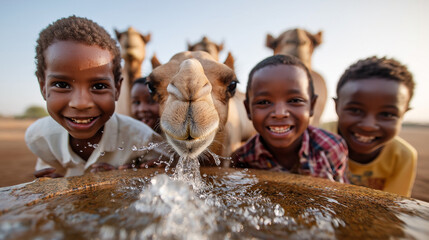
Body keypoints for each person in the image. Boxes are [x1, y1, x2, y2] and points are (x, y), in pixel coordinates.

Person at [25, 16, 166, 178]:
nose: (81, 103)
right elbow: (52, 179)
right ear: (43, 87)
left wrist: (134, 176)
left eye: (99, 86)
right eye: (62, 85)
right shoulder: (41, 138)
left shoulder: (143, 141)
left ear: (117, 88)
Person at [231, 54, 348, 183]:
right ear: (248, 110)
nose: (280, 113)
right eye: (264, 102)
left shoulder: (332, 148)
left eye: (294, 100)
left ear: (312, 106)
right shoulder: (241, 160)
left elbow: (343, 192)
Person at [323, 56, 417, 197]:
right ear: (337, 107)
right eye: (355, 110)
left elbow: (393, 208)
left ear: (404, 114)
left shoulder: (402, 156)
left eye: (387, 114)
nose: (368, 126)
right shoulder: (316, 139)